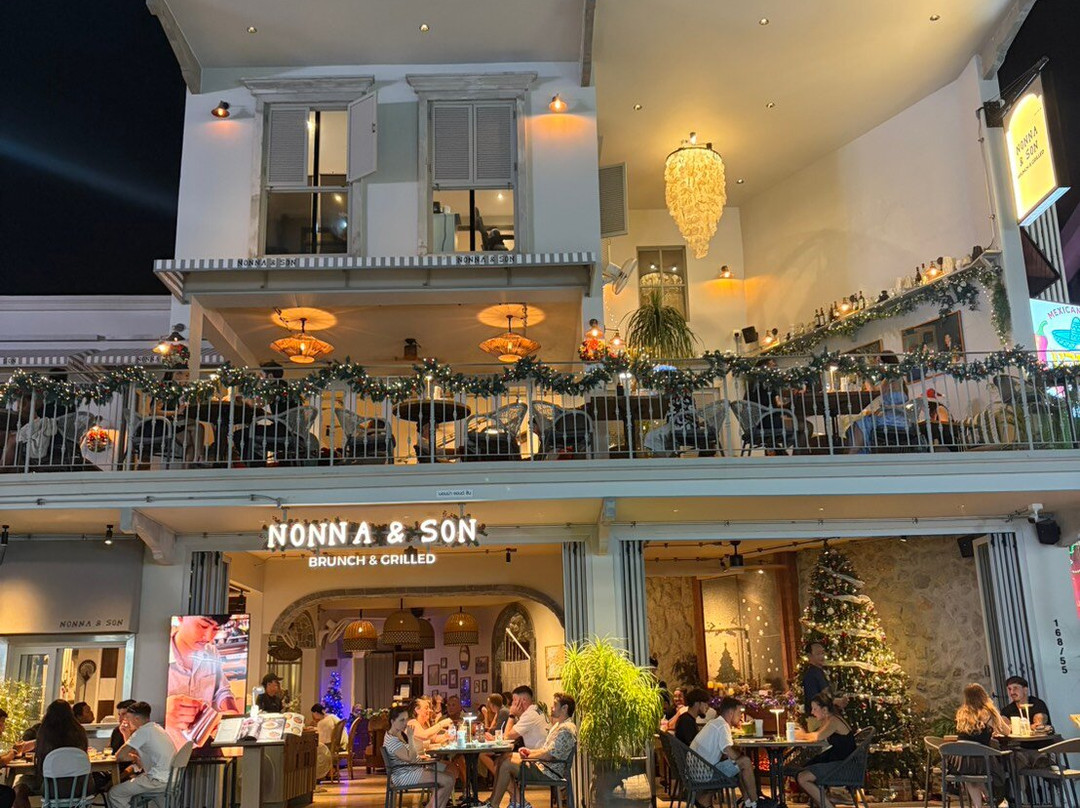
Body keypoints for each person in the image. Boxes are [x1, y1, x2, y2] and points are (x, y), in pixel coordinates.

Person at [481, 693, 577, 808]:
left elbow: (549, 755)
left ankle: (495, 804)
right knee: (503, 758)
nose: (552, 707)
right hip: (544, 765)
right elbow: (547, 751)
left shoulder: (565, 729)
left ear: (565, 708)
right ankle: (512, 802)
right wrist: (529, 752)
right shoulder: (559, 725)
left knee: (506, 764)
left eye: (555, 704)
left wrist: (529, 755)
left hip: (548, 771)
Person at [166, 615, 241, 745]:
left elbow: (221, 690)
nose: (208, 637)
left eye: (216, 629)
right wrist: (162, 711)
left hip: (205, 741)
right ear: (181, 618)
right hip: (166, 746)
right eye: (203, 626)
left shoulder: (211, 652)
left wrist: (232, 712)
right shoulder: (156, 653)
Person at [12, 700, 89, 808]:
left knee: (19, 785)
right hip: (80, 787)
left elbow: (41, 764)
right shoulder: (80, 732)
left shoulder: (45, 732)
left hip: (51, 787)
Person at [689, 697, 758, 808]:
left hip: (696, 770)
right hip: (704, 773)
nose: (741, 716)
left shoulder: (714, 723)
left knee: (740, 764)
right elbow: (729, 752)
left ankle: (749, 802)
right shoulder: (722, 726)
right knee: (745, 762)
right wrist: (741, 758)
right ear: (731, 713)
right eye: (739, 713)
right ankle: (755, 802)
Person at [950, 683, 1010, 808]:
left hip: (960, 761)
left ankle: (979, 804)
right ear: (983, 695)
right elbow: (1006, 731)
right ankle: (992, 798)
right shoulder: (989, 712)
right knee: (989, 765)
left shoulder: (962, 713)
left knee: (971, 776)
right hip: (981, 760)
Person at [383, 704, 455, 808]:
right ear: (392, 721)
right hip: (405, 775)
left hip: (412, 769)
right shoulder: (392, 740)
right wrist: (411, 738)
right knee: (448, 780)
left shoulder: (398, 734)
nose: (405, 723)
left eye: (406, 719)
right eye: (401, 720)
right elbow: (411, 759)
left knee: (450, 775)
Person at [109, 702, 177, 808]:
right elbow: (135, 752)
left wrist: (132, 757)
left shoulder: (142, 732)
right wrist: (126, 734)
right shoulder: (156, 728)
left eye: (128, 718)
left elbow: (119, 756)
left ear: (136, 719)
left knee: (115, 793)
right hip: (170, 778)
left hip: (156, 780)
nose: (125, 721)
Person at [793, 694, 856, 808]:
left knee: (803, 778)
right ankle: (824, 802)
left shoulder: (834, 721)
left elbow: (818, 736)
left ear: (825, 710)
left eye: (815, 709)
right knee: (803, 770)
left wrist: (801, 735)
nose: (812, 712)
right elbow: (817, 735)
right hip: (839, 762)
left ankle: (827, 805)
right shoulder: (828, 720)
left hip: (844, 766)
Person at [846, 351, 911, 454]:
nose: (877, 365)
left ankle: (853, 452)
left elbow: (875, 391)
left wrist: (864, 376)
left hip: (893, 419)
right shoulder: (895, 377)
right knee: (864, 420)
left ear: (886, 362)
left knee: (861, 422)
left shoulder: (892, 375)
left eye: (879, 362)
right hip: (897, 417)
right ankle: (855, 452)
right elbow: (875, 390)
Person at [801, 643, 847, 721]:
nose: (822, 656)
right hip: (817, 718)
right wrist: (836, 701)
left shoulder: (821, 672)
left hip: (826, 717)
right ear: (809, 656)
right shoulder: (811, 674)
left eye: (823, 653)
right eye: (818, 654)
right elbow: (815, 699)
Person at [504, 686, 547, 751]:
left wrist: (512, 715)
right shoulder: (536, 709)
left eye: (514, 700)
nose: (512, 703)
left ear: (523, 700)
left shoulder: (529, 715)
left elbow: (507, 737)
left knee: (503, 756)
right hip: (541, 751)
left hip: (538, 755)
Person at [479, 694, 511, 778]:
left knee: (482, 754)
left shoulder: (503, 712)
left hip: (507, 744)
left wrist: (488, 730)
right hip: (503, 741)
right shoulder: (500, 711)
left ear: (492, 705)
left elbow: (497, 730)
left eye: (489, 704)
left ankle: (500, 776)